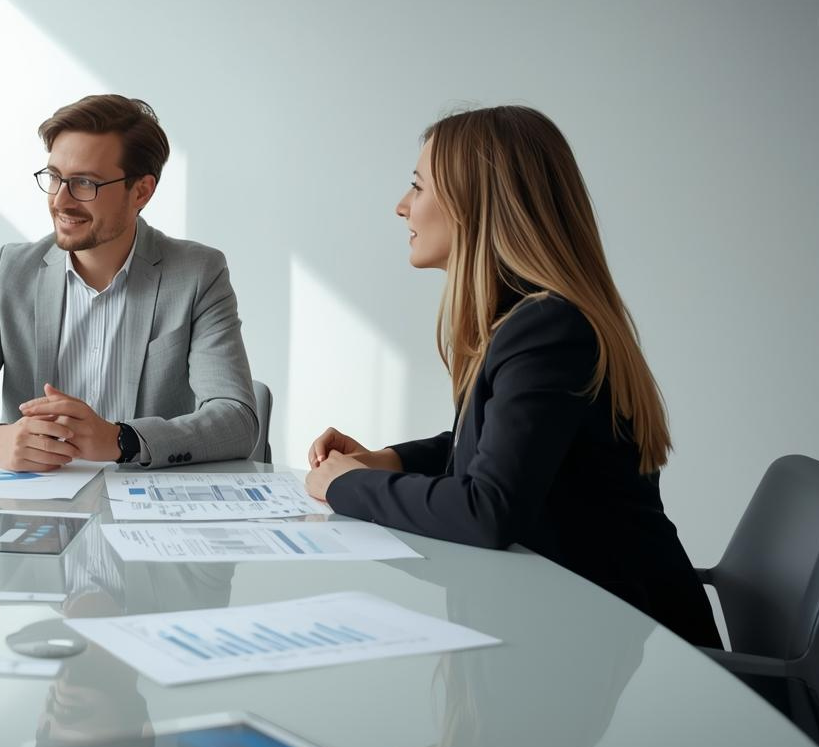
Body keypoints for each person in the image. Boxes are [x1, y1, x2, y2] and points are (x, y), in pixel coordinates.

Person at [304, 105, 720, 647]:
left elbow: (487, 510)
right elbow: (498, 448)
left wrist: (346, 486)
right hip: (580, 617)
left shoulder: (548, 328)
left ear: (477, 204)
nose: (402, 206)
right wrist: (390, 459)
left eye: (418, 187)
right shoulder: (530, 318)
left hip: (621, 641)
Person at [0, 94, 257, 472]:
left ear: (141, 191)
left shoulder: (197, 274)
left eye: (85, 183)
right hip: (35, 510)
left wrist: (121, 440)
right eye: (54, 177)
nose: (61, 200)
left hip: (147, 509)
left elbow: (236, 419)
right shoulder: (12, 271)